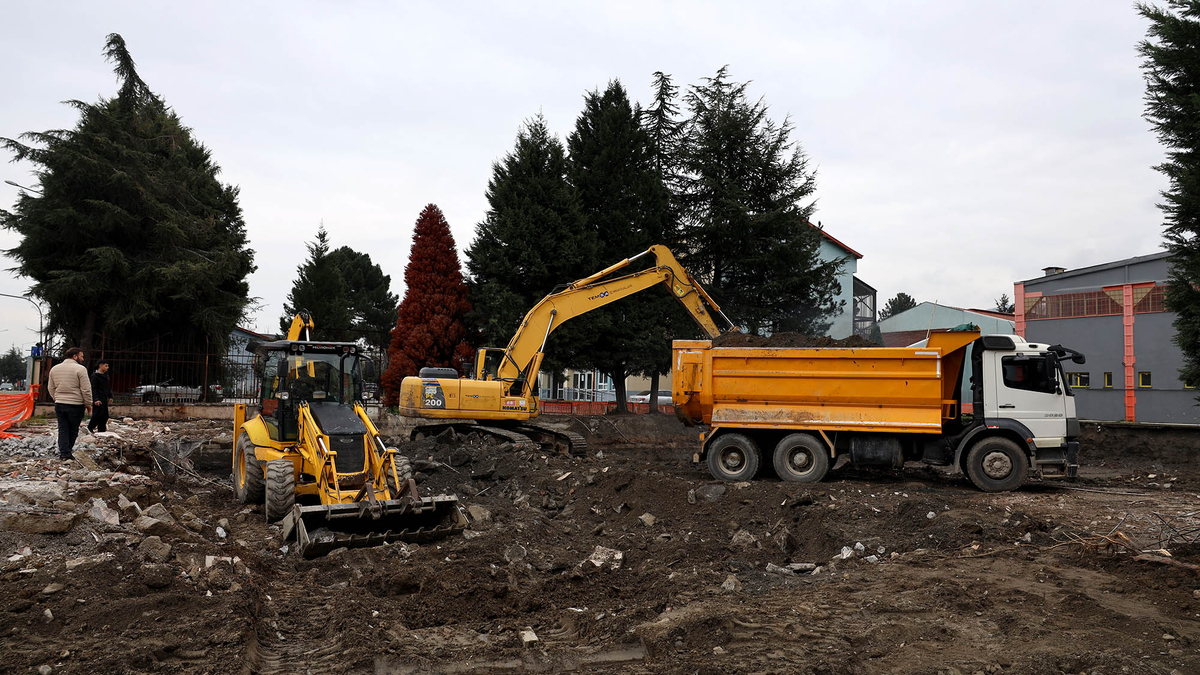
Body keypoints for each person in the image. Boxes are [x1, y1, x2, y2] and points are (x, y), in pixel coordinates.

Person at [47, 348, 92, 461]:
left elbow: (50, 388)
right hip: (75, 404)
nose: (83, 358)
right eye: (81, 356)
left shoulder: (54, 369)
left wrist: (56, 398)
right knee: (73, 429)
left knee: (63, 429)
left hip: (60, 404)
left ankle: (64, 453)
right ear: (75, 357)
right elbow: (86, 389)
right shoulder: (81, 369)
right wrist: (88, 403)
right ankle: (68, 452)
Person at [87, 360, 113, 433]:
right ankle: (90, 427)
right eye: (106, 366)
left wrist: (110, 396)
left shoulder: (106, 376)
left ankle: (101, 430)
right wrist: (95, 399)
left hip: (104, 397)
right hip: (98, 397)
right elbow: (93, 388)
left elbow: (108, 387)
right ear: (100, 366)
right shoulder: (95, 376)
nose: (107, 367)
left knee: (105, 415)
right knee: (97, 414)